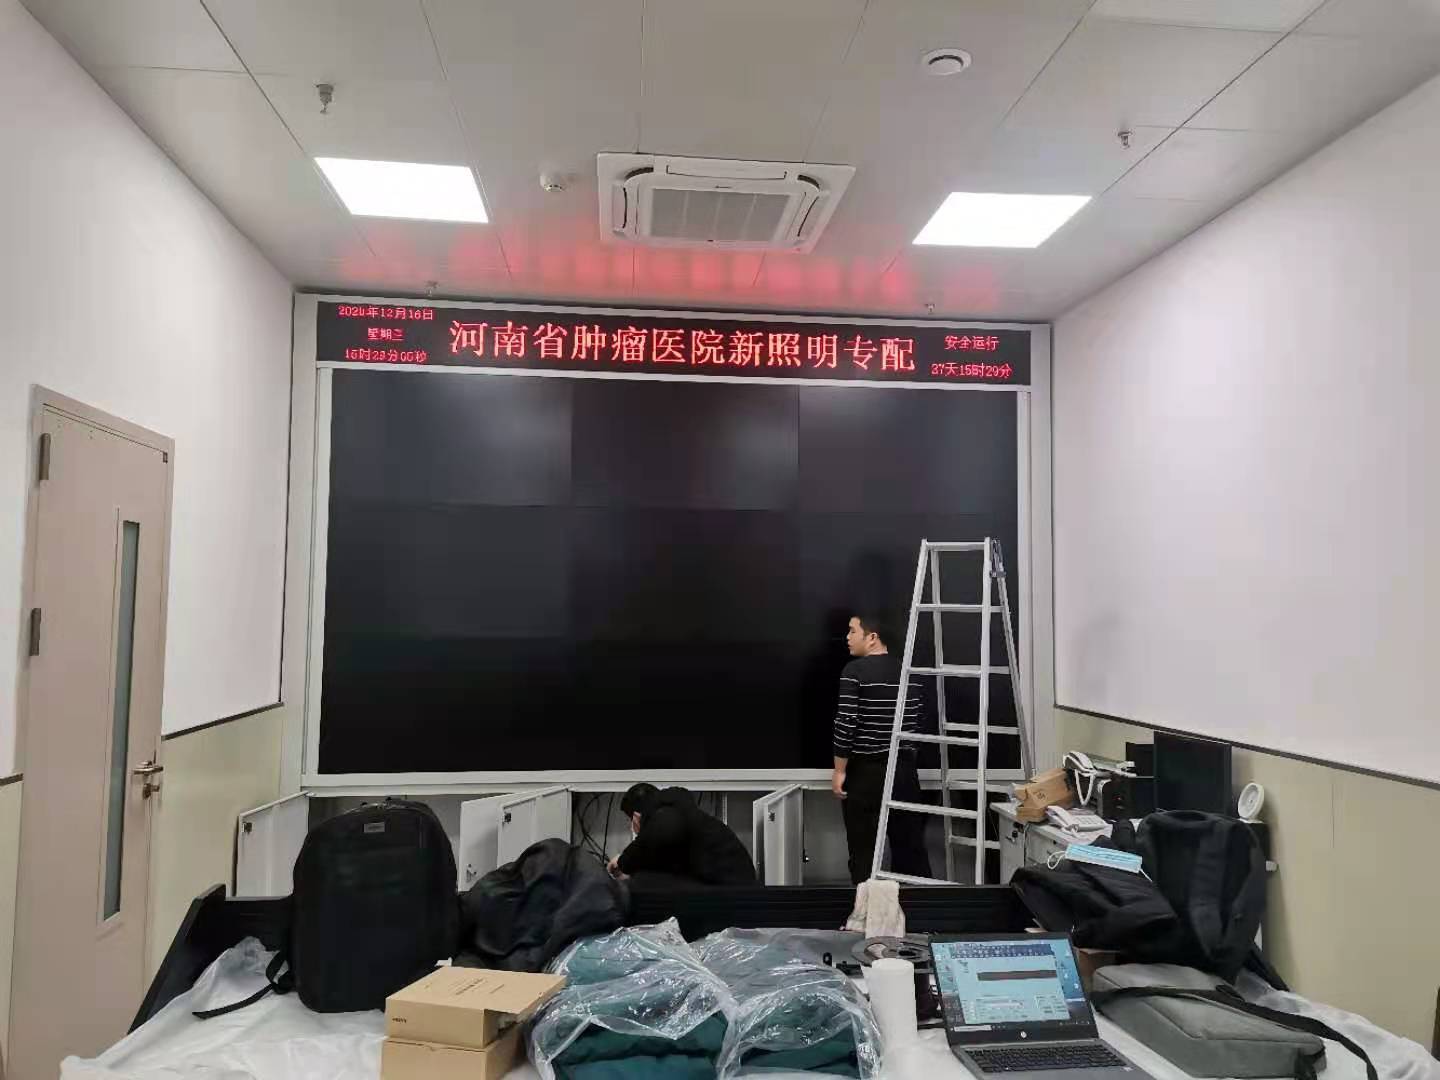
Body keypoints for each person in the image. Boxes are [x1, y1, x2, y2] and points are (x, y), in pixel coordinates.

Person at [832, 610, 933, 884]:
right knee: (910, 853)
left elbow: (846, 722)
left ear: (872, 637)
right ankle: (918, 909)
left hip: (866, 773)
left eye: (853, 630)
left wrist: (839, 769)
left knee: (864, 855)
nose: (848, 637)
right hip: (904, 771)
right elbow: (918, 719)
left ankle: (866, 909)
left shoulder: (854, 671)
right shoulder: (909, 671)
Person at [607, 783, 757, 886]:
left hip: (732, 898)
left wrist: (623, 862)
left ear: (636, 817)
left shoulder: (667, 817)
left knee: (643, 883)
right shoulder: (684, 814)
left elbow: (657, 838)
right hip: (738, 893)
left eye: (630, 821)